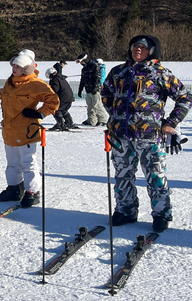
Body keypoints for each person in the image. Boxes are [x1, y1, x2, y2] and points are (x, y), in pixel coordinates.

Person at [101, 35, 190, 232]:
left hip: (149, 136)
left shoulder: (161, 73)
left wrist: (171, 123)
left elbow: (185, 98)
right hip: (120, 136)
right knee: (123, 175)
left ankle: (161, 214)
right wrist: (115, 115)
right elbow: (105, 93)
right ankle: (125, 210)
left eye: (142, 47)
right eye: (135, 47)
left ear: (152, 51)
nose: (137, 50)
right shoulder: (118, 71)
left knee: (155, 175)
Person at [0, 50, 59, 208]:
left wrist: (40, 113)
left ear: (25, 68)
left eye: (18, 66)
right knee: (12, 163)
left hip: (27, 130)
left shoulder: (35, 83)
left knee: (28, 163)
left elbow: (53, 100)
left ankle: (33, 192)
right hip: (9, 130)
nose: (14, 68)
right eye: (13, 65)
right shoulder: (9, 82)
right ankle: (15, 188)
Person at [76, 53, 108, 126]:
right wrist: (80, 89)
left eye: (80, 61)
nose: (80, 63)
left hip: (95, 90)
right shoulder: (84, 69)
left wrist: (95, 87)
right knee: (90, 106)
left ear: (84, 60)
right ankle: (91, 120)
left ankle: (103, 120)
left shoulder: (94, 66)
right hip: (88, 89)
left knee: (97, 105)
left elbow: (98, 78)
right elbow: (82, 80)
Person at [46, 66, 75, 132]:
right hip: (69, 98)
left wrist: (49, 92)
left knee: (56, 110)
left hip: (63, 98)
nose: (50, 79)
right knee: (63, 110)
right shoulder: (61, 78)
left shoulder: (55, 79)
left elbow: (55, 89)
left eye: (49, 77)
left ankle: (60, 125)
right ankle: (69, 123)